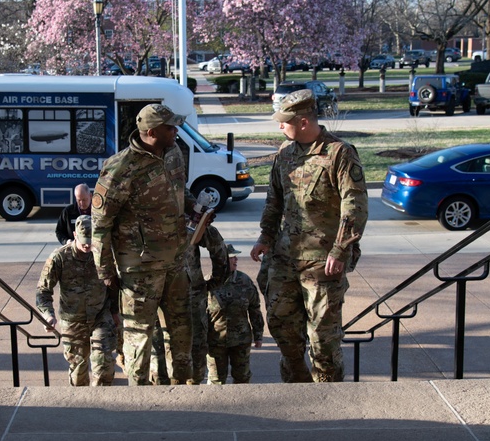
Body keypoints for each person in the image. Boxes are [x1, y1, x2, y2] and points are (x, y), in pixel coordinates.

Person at [250, 89, 368, 383]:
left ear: (303, 122)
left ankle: (327, 398)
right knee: (282, 329)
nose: (280, 127)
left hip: (322, 263)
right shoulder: (285, 153)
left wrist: (341, 250)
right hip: (284, 258)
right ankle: (297, 389)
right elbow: (273, 200)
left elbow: (354, 206)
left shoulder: (339, 153)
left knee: (323, 341)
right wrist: (264, 237)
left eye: (284, 121)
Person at [92, 103, 196, 385]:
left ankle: (184, 388)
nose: (176, 130)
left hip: (175, 261)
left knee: (183, 330)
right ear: (151, 132)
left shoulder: (173, 153)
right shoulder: (119, 168)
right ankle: (139, 394)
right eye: (170, 127)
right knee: (139, 336)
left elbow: (178, 188)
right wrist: (105, 271)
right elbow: (100, 225)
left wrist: (194, 205)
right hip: (140, 269)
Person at [36, 215, 118, 386]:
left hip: (100, 315)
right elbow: (43, 291)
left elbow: (114, 284)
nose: (88, 246)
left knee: (104, 363)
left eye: (91, 241)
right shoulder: (59, 258)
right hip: (73, 319)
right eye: (84, 242)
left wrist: (115, 312)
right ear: (74, 235)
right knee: (78, 368)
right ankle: (83, 406)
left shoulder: (103, 254)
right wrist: (47, 314)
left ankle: (103, 401)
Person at [150, 220, 229, 385]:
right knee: (178, 345)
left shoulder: (145, 210)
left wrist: (215, 280)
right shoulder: (183, 211)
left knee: (166, 344)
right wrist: (217, 280)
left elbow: (214, 240)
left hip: (164, 293)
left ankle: (175, 386)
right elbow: (216, 243)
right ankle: (182, 385)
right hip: (178, 292)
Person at [206, 244, 264, 384]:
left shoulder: (244, 281)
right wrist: (199, 340)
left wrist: (258, 335)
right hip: (215, 341)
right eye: (232, 257)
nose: (236, 259)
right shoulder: (207, 283)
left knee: (242, 378)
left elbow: (254, 309)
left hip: (241, 340)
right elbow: (199, 313)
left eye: (236, 257)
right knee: (216, 380)